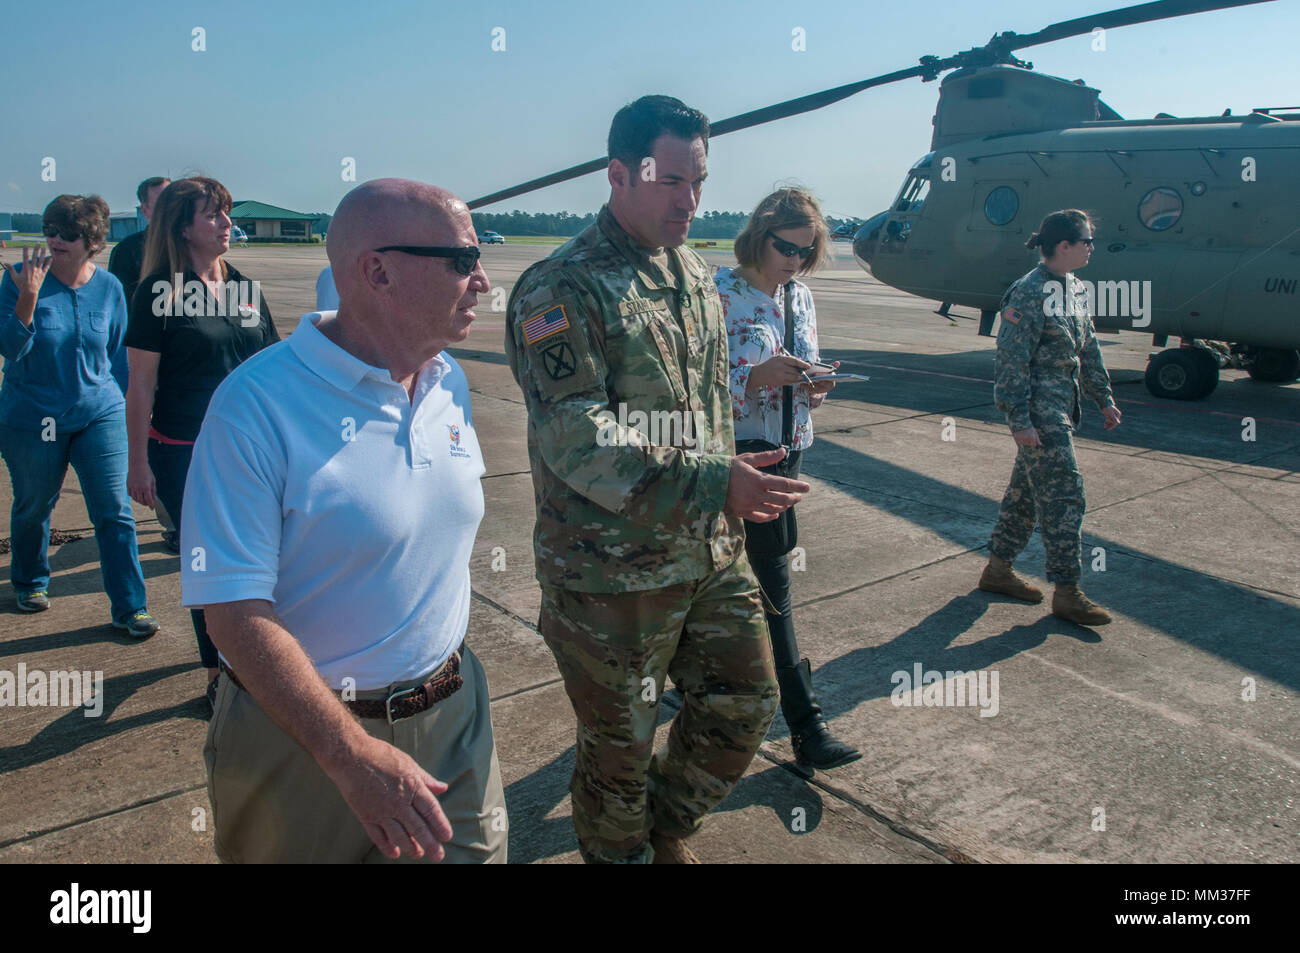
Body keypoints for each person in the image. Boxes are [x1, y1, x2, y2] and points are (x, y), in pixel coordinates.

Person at [505, 95, 809, 864]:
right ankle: (626, 853)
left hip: (707, 553)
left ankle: (666, 830)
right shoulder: (560, 287)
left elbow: (697, 398)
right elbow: (578, 438)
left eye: (699, 181)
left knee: (746, 704)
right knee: (620, 752)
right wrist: (716, 482)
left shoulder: (689, 275)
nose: (690, 200)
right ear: (617, 173)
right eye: (671, 180)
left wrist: (758, 391)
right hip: (611, 576)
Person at [180, 178, 506, 864]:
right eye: (460, 260)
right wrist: (349, 751)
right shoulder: (255, 406)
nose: (481, 280)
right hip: (301, 738)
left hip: (452, 719)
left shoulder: (447, 380)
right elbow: (232, 613)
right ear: (377, 270)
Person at [715, 187, 861, 776]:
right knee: (764, 586)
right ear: (758, 236)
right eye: (786, 247)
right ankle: (807, 726)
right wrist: (751, 379)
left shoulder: (800, 297)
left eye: (807, 250)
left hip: (790, 450)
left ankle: (710, 686)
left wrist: (813, 385)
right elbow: (686, 393)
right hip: (735, 456)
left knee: (764, 579)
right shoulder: (717, 294)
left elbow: (805, 369)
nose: (795, 261)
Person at [123, 177, 279, 710]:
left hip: (253, 451)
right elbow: (140, 383)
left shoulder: (245, 288)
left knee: (267, 555)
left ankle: (266, 657)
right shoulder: (159, 292)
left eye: (227, 213)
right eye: (213, 215)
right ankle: (218, 675)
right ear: (182, 228)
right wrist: (137, 461)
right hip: (185, 451)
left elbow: (272, 368)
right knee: (210, 564)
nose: (226, 224)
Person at [0, 196, 159, 636]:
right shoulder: (18, 281)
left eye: (68, 233)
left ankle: (131, 607)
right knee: (35, 505)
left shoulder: (108, 287)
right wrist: (29, 296)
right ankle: (30, 581)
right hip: (32, 419)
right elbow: (11, 349)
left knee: (113, 511)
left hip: (97, 413)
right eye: (51, 229)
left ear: (92, 241)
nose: (55, 239)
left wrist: (136, 414)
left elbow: (117, 359)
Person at [979, 208, 1122, 626]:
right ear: (1064, 246)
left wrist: (1104, 398)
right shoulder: (1029, 292)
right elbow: (1011, 359)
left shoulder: (1074, 288)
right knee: (1066, 495)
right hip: (1041, 413)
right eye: (1086, 241)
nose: (1092, 247)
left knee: (1024, 497)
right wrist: (1018, 420)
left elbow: (1088, 346)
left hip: (1064, 406)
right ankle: (1068, 591)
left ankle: (998, 571)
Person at [108, 176, 176, 551]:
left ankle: (180, 519)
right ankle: (169, 517)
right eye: (162, 201)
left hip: (184, 357)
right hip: (143, 355)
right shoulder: (129, 250)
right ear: (145, 210)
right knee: (152, 431)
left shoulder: (190, 247)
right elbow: (117, 312)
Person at [107, 176, 170, 307]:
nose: (169, 208)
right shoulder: (127, 251)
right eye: (161, 204)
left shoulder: (194, 245)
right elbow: (120, 303)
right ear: (145, 210)